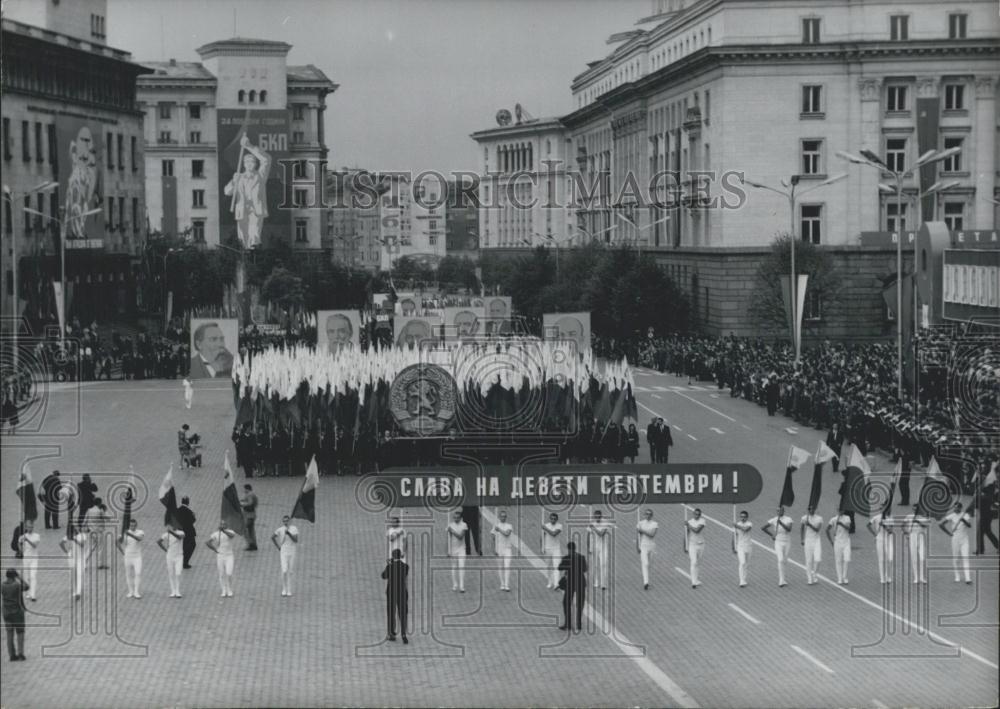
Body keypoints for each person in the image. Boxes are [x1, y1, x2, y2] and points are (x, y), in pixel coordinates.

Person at [223, 133, 271, 249]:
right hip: (242, 210)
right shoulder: (239, 177)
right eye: (248, 162)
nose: (250, 164)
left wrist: (248, 146)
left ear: (255, 164)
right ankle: (244, 255)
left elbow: (266, 160)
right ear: (244, 164)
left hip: (255, 209)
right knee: (242, 239)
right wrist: (234, 182)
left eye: (253, 162)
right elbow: (227, 192)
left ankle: (254, 253)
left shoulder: (260, 176)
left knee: (254, 235)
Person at [558, 541, 588, 633]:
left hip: (570, 583)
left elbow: (559, 568)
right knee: (580, 604)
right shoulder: (581, 557)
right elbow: (585, 569)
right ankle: (578, 624)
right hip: (580, 583)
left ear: (568, 549)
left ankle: (568, 623)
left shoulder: (566, 558)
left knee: (566, 603)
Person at [940, 502, 972, 584]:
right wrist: (949, 533)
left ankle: (968, 578)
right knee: (956, 558)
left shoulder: (966, 515)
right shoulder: (952, 515)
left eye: (957, 507)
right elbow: (941, 524)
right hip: (955, 539)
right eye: (954, 507)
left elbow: (969, 526)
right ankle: (957, 576)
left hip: (965, 539)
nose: (955, 509)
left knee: (965, 558)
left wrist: (963, 520)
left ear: (960, 508)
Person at [381, 549, 409, 643]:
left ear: (392, 556)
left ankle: (392, 633)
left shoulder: (390, 567)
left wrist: (389, 563)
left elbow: (383, 576)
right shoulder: (405, 566)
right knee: (403, 613)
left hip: (392, 593)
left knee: (391, 613)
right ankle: (404, 634)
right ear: (400, 556)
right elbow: (405, 573)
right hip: (402, 593)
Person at [762, 506, 793, 587]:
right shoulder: (774, 519)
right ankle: (781, 580)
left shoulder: (788, 519)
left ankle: (783, 578)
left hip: (787, 542)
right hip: (778, 542)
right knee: (780, 559)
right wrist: (772, 535)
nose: (779, 512)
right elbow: (763, 528)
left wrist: (781, 523)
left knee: (785, 560)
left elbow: (789, 529)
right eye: (778, 511)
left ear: (783, 511)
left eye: (780, 510)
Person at [2, 569, 29, 661]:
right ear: (14, 577)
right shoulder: (17, 585)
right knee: (20, 632)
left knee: (9, 634)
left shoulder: (2, 585)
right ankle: (20, 653)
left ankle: (12, 655)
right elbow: (27, 586)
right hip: (17, 612)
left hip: (6, 612)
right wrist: (20, 577)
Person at [60, 521, 91, 600]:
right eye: (75, 527)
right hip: (72, 557)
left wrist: (75, 539)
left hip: (80, 558)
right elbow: (61, 543)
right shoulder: (69, 536)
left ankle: (78, 592)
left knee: (80, 574)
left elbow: (82, 545)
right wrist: (66, 552)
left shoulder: (82, 536)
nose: (76, 529)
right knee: (73, 574)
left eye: (77, 527)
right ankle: (74, 591)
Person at [206, 523, 237, 597]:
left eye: (224, 525)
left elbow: (231, 536)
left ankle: (229, 589)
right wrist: (215, 549)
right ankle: (224, 589)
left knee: (229, 573)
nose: (223, 526)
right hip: (220, 555)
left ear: (227, 525)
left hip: (229, 555)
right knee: (222, 574)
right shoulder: (216, 534)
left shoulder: (231, 532)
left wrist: (224, 531)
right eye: (221, 525)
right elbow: (208, 542)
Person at [271, 516, 299, 597]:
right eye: (284, 521)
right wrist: (278, 547)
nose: (285, 522)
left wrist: (289, 533)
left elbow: (296, 540)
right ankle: (284, 588)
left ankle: (289, 589)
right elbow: (272, 537)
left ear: (290, 521)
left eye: (287, 521)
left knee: (290, 571)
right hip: (283, 551)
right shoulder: (280, 529)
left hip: (292, 550)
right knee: (284, 570)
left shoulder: (294, 529)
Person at [116, 519, 144, 599]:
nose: (133, 527)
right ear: (129, 526)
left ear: (136, 525)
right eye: (131, 525)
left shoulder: (140, 532)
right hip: (128, 556)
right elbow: (118, 543)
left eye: (134, 525)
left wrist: (129, 534)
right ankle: (130, 591)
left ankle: (136, 591)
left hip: (137, 557)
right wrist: (123, 552)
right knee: (128, 574)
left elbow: (139, 539)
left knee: (138, 573)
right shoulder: (125, 533)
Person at [903, 504, 929, 584]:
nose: (915, 511)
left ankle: (922, 577)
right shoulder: (909, 516)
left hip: (920, 536)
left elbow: (925, 526)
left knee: (922, 557)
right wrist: (906, 533)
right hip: (912, 536)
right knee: (914, 557)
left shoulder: (923, 517)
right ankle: (916, 577)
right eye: (913, 509)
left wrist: (918, 521)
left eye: (916, 509)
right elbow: (903, 525)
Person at [157, 524, 185, 598]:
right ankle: (173, 591)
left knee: (178, 573)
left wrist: (171, 532)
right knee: (171, 573)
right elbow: (159, 542)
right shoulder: (166, 534)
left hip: (179, 556)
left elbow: (179, 538)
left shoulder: (181, 532)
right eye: (172, 525)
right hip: (170, 556)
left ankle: (178, 590)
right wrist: (166, 550)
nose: (173, 527)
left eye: (174, 525)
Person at [867, 507, 894, 584]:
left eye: (889, 509)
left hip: (889, 539)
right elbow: (868, 525)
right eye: (887, 509)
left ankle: (888, 576)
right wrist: (875, 534)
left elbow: (890, 531)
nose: (889, 510)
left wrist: (885, 526)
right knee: (881, 559)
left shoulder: (891, 518)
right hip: (880, 539)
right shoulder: (876, 517)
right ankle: (882, 578)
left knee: (890, 558)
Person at [826, 507, 852, 585]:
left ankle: (845, 577)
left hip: (846, 541)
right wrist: (831, 541)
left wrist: (841, 524)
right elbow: (827, 529)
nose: (841, 511)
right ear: (837, 511)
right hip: (837, 541)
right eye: (839, 510)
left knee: (847, 559)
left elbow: (848, 528)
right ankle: (840, 578)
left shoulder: (847, 518)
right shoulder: (833, 519)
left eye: (842, 510)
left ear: (844, 510)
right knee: (838, 560)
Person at [588, 509, 612, 591]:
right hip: (594, 547)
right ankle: (596, 581)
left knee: (603, 564)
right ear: (594, 517)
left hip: (603, 547)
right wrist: (589, 547)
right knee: (595, 565)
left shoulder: (605, 523)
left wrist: (593, 528)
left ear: (601, 516)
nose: (597, 518)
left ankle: (603, 584)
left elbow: (601, 534)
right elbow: (589, 536)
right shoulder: (591, 524)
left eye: (599, 517)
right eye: (596, 517)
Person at [491, 509, 514, 592]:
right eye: (501, 516)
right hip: (499, 548)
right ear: (499, 517)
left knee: (507, 567)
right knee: (500, 567)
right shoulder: (495, 526)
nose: (503, 518)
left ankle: (507, 585)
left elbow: (507, 534)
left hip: (507, 548)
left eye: (504, 516)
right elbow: (493, 539)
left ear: (506, 517)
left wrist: (499, 530)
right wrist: (493, 549)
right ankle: (502, 583)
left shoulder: (509, 526)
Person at [800, 506, 823, 585]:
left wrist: (809, 524)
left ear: (815, 509)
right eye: (810, 509)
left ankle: (814, 574)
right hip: (808, 540)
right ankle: (809, 578)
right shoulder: (804, 518)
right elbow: (802, 529)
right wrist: (802, 539)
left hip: (816, 540)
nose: (812, 510)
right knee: (809, 561)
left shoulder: (819, 518)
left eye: (813, 509)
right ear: (808, 510)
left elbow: (817, 530)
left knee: (818, 559)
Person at [17, 521, 39, 602]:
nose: (30, 528)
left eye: (31, 527)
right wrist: (21, 550)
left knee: (33, 576)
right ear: (26, 528)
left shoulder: (36, 536)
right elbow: (18, 543)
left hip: (34, 559)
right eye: (28, 527)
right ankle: (29, 593)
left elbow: (34, 545)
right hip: (26, 559)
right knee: (26, 577)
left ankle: (33, 595)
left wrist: (27, 540)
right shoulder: (22, 536)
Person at [636, 509, 658, 590]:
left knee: (649, 564)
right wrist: (637, 546)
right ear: (644, 515)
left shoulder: (655, 524)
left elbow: (652, 535)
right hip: (643, 546)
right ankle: (646, 582)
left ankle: (647, 579)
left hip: (651, 546)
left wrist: (642, 531)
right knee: (645, 563)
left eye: (649, 514)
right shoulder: (640, 523)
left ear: (651, 515)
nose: (648, 516)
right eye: (646, 514)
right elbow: (638, 536)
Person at [446, 510, 468, 592]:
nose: (456, 519)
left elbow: (460, 536)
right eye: (454, 518)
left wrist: (452, 531)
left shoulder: (464, 525)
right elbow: (448, 539)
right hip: (453, 549)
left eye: (458, 518)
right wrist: (448, 551)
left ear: (461, 518)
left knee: (462, 567)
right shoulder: (450, 525)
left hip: (462, 549)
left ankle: (462, 586)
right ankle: (455, 584)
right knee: (454, 567)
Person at [541, 512, 563, 590]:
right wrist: (542, 547)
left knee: (556, 566)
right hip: (547, 549)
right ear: (550, 519)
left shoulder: (559, 526)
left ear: (557, 519)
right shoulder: (546, 525)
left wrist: (545, 528)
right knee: (548, 567)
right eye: (552, 518)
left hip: (556, 549)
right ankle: (550, 581)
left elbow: (554, 534)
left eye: (554, 519)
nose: (553, 520)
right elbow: (542, 537)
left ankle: (556, 583)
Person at [685, 508, 707, 588]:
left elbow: (697, 530)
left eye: (698, 514)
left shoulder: (702, 521)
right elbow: (686, 534)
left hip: (701, 544)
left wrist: (688, 525)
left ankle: (696, 579)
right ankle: (693, 582)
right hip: (692, 544)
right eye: (695, 514)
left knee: (698, 562)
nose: (697, 516)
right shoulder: (690, 522)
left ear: (700, 515)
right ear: (693, 514)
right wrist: (685, 545)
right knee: (693, 562)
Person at [175, 497, 197, 569]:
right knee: (192, 545)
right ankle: (185, 562)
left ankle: (181, 561)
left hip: (180, 531)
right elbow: (193, 520)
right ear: (188, 502)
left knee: (183, 546)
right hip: (189, 532)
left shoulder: (177, 510)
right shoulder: (189, 511)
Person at [734, 510, 753, 587]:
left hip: (748, 546)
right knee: (742, 562)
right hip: (740, 546)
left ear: (747, 517)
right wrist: (733, 546)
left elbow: (745, 529)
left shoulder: (749, 524)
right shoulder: (738, 524)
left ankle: (744, 579)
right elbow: (734, 535)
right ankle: (741, 580)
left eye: (744, 517)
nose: (743, 518)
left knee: (746, 564)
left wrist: (736, 526)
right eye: (741, 517)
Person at [241, 485, 258, 551]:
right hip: (252, 514)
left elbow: (250, 503)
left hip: (249, 515)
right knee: (251, 530)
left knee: (244, 529)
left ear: (247, 489)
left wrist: (242, 504)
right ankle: (254, 544)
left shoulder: (249, 494)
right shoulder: (253, 494)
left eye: (244, 489)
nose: (244, 490)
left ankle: (250, 544)